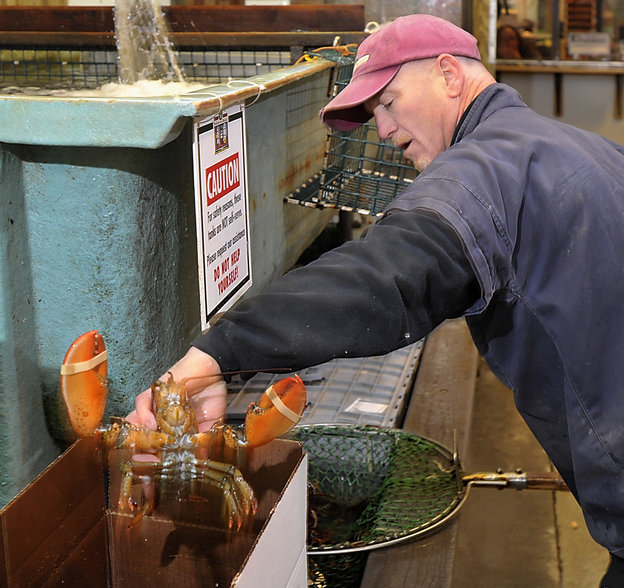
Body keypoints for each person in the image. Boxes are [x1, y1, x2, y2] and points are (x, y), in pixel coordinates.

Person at [128, 14, 623, 586]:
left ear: (448, 75)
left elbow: (384, 278)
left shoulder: (485, 169)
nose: (383, 129)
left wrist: (216, 351)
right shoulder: (579, 147)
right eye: (373, 116)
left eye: (389, 101)